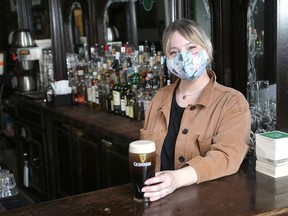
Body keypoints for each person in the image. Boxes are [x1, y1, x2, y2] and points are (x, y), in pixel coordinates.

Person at [140, 19, 251, 202]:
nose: (183, 57)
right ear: (167, 59)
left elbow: (227, 157)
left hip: (207, 205)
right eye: (174, 52)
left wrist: (177, 178)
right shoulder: (159, 98)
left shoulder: (232, 102)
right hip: (159, 203)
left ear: (206, 49)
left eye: (191, 48)